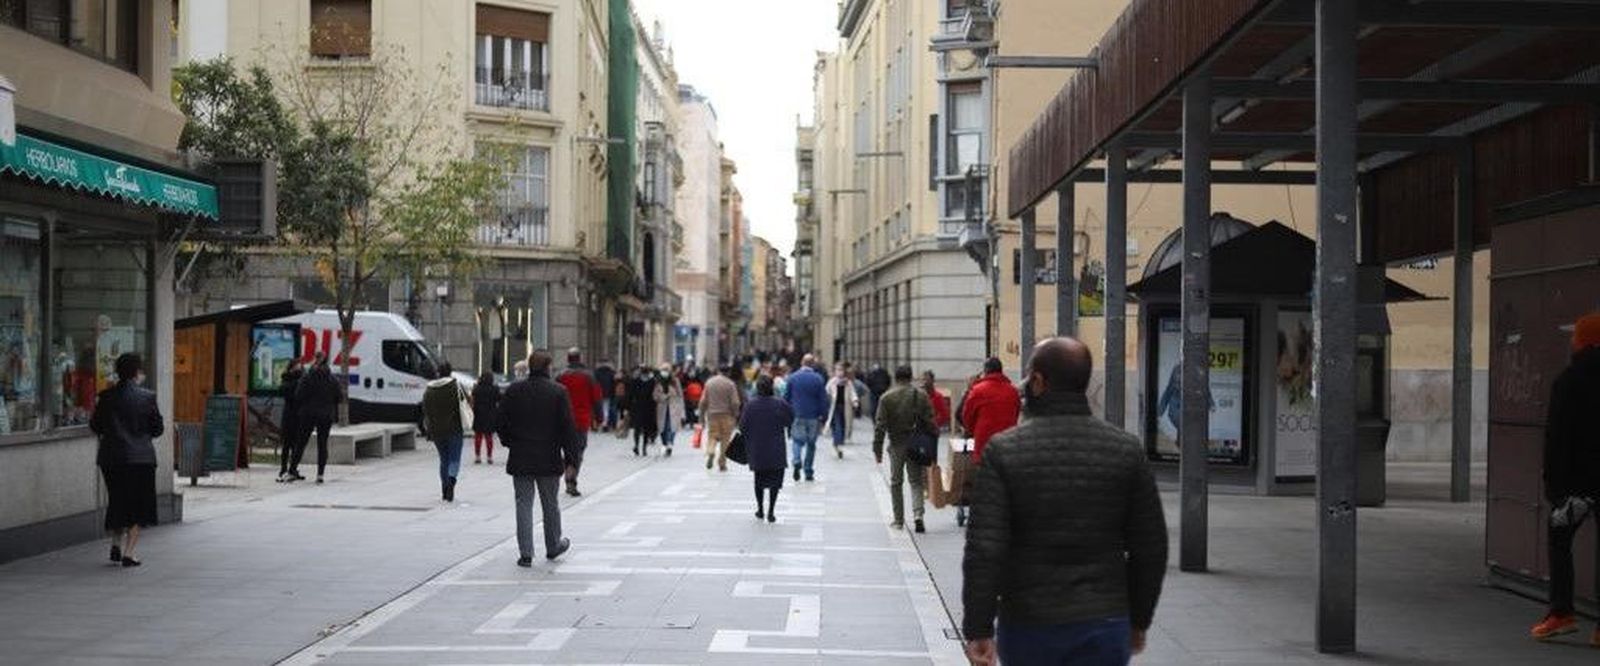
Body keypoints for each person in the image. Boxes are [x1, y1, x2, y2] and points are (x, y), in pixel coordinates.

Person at [961, 338, 1168, 666]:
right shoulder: (1126, 450)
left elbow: (985, 549)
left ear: (1039, 382)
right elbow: (1150, 547)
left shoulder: (1004, 451)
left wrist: (978, 627)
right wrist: (1139, 619)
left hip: (1029, 621)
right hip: (1105, 619)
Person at [1530, 312, 1600, 645]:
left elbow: (1557, 439)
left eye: (1576, 337)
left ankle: (1561, 613)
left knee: (1560, 542)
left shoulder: (1568, 382)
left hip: (1575, 485)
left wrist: (1554, 487)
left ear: (1585, 342)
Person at [496, 351, 577, 566]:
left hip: (521, 456)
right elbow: (568, 428)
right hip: (548, 458)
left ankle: (526, 553)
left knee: (523, 505)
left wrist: (509, 442)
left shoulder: (514, 390)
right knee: (550, 504)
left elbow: (500, 422)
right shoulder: (558, 392)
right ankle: (553, 546)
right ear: (548, 367)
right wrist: (571, 460)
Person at [90, 353, 164, 567]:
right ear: (136, 372)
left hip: (112, 457)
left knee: (117, 499)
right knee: (137, 505)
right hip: (141, 459)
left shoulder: (105, 397)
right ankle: (129, 553)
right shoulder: (148, 397)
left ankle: (115, 542)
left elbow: (96, 426)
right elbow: (157, 429)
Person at [874, 365, 935, 533]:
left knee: (896, 482)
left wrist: (877, 450)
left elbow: (880, 426)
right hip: (916, 443)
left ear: (895, 377)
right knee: (916, 481)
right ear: (911, 377)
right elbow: (930, 420)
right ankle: (918, 515)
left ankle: (899, 519)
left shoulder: (886, 397)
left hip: (896, 444)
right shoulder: (921, 395)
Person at [741, 375, 795, 523]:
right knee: (775, 482)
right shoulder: (779, 403)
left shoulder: (751, 405)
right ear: (772, 387)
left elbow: (742, 425)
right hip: (776, 448)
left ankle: (760, 509)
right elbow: (790, 418)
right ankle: (771, 511)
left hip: (758, 449)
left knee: (759, 480)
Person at [556, 349, 603, 496]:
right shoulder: (588, 376)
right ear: (580, 358)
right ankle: (572, 476)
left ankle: (568, 468)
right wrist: (599, 418)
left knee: (566, 449)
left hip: (562, 420)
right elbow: (597, 399)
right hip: (581, 420)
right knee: (578, 450)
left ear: (568, 359)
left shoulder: (560, 376)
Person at [960, 358, 1023, 463]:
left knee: (985, 476)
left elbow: (967, 416)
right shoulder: (1013, 391)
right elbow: (1016, 415)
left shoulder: (977, 390)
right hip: (1008, 443)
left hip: (984, 444)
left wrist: (972, 431)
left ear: (986, 371)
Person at [421, 362, 468, 502]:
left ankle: (444, 488)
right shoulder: (455, 386)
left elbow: (425, 411)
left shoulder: (429, 390)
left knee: (444, 459)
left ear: (438, 372)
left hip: (436, 431)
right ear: (450, 372)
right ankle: (452, 481)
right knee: (454, 458)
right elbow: (465, 402)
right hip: (454, 428)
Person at [293, 352, 341, 484]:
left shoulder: (307, 377)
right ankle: (320, 474)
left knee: (301, 442)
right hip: (326, 415)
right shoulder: (333, 379)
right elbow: (339, 397)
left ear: (315, 361)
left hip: (308, 414)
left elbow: (298, 395)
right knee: (322, 444)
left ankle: (292, 469)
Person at [784, 354, 829, 481]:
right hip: (813, 416)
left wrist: (785, 413)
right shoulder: (818, 379)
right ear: (813, 364)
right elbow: (823, 400)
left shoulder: (792, 378)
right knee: (811, 444)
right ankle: (808, 471)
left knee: (797, 440)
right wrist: (824, 416)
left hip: (797, 414)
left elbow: (786, 397)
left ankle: (797, 460)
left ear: (801, 363)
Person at [701, 365, 743, 472]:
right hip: (727, 415)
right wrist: (736, 414)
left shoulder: (709, 383)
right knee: (725, 440)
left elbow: (703, 401)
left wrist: (701, 416)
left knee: (712, 436)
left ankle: (711, 451)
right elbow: (735, 402)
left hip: (712, 415)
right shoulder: (730, 384)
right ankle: (722, 463)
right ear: (728, 373)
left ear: (718, 371)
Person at [824, 363, 860, 458]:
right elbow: (826, 392)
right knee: (838, 426)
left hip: (845, 407)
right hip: (834, 407)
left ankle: (837, 444)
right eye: (837, 370)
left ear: (844, 372)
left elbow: (853, 393)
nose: (839, 372)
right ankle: (838, 445)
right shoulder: (832, 382)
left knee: (844, 425)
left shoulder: (848, 382)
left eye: (841, 370)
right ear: (835, 372)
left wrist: (855, 401)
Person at [277, 360, 304, 483]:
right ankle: (283, 469)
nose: (300, 368)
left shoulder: (303, 378)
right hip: (289, 415)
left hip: (299, 414)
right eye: (297, 366)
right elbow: (283, 391)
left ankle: (293, 469)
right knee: (287, 444)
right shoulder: (287, 379)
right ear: (292, 368)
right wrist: (296, 382)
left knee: (296, 445)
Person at [654, 364, 686, 456]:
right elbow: (655, 396)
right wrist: (664, 396)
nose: (665, 372)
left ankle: (670, 444)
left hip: (674, 407)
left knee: (671, 427)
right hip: (661, 407)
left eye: (667, 370)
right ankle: (664, 443)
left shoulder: (675, 381)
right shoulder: (657, 381)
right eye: (663, 370)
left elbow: (680, 395)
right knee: (662, 428)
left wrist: (682, 411)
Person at [471, 371, 501, 465]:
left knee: (478, 436)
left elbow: (472, 400)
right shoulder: (494, 388)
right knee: (489, 437)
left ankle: (477, 456)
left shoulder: (476, 388)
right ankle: (489, 456)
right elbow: (499, 400)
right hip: (490, 415)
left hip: (478, 414)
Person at [629, 366, 659, 456]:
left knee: (637, 428)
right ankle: (643, 448)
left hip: (638, 407)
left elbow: (630, 394)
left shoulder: (635, 381)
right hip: (649, 408)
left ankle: (637, 445)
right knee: (646, 429)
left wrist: (628, 407)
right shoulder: (652, 382)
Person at [594, 358, 617, 432]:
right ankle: (605, 424)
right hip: (608, 393)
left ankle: (599, 424)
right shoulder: (612, 373)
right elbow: (614, 384)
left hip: (598, 393)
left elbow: (594, 383)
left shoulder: (596, 372)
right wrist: (613, 393)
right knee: (606, 408)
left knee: (598, 408)